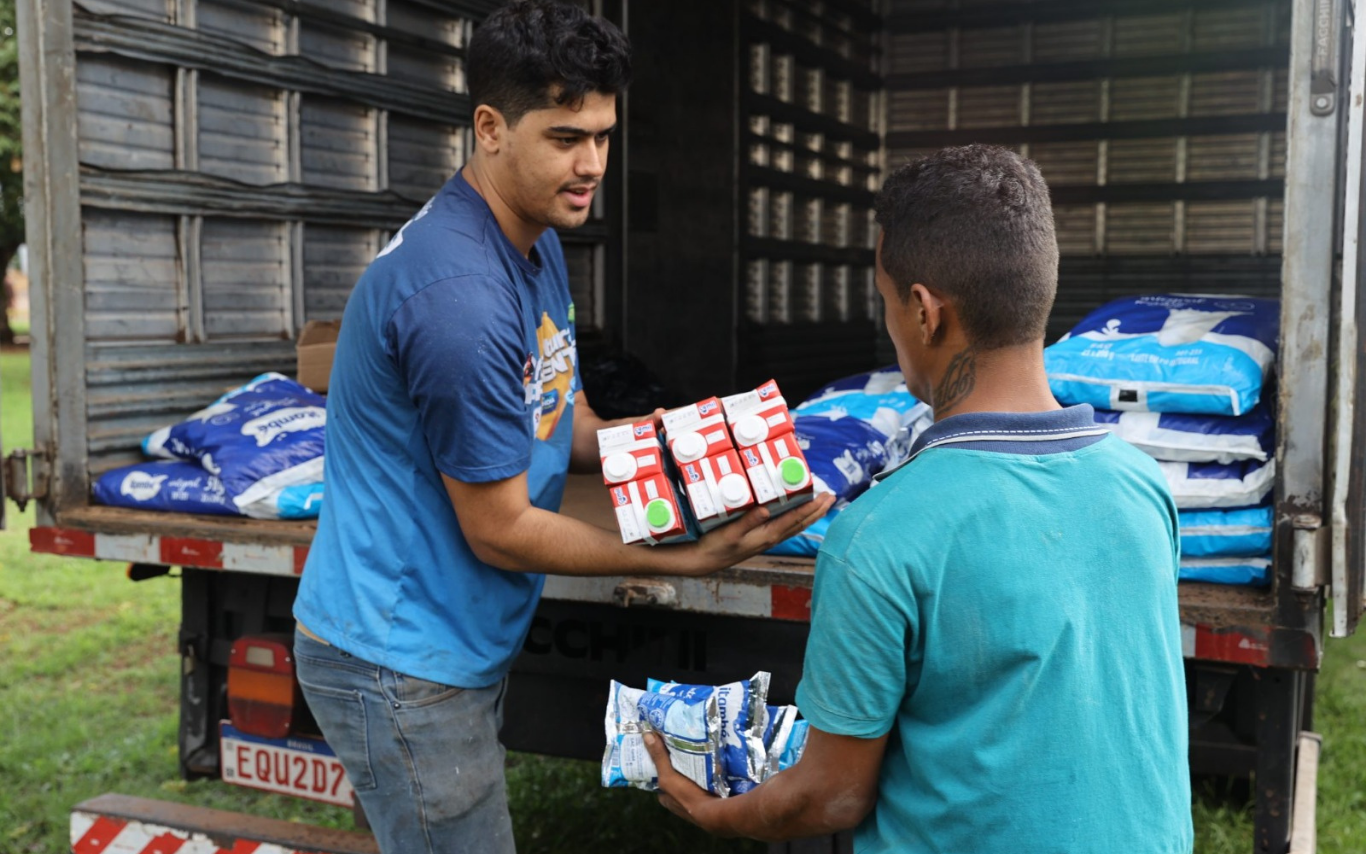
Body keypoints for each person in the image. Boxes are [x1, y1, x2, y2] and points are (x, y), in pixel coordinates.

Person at [289, 3, 832, 853]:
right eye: (566, 138)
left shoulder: (533, 237)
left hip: (447, 637)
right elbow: (501, 530)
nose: (592, 166)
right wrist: (672, 557)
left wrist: (672, 439)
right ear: (490, 128)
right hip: (398, 656)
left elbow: (560, 416)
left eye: (604, 137)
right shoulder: (458, 300)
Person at [645, 145, 1193, 853]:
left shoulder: (880, 533)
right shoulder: (1140, 484)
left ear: (925, 310)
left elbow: (832, 795)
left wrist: (720, 817)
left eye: (885, 301)